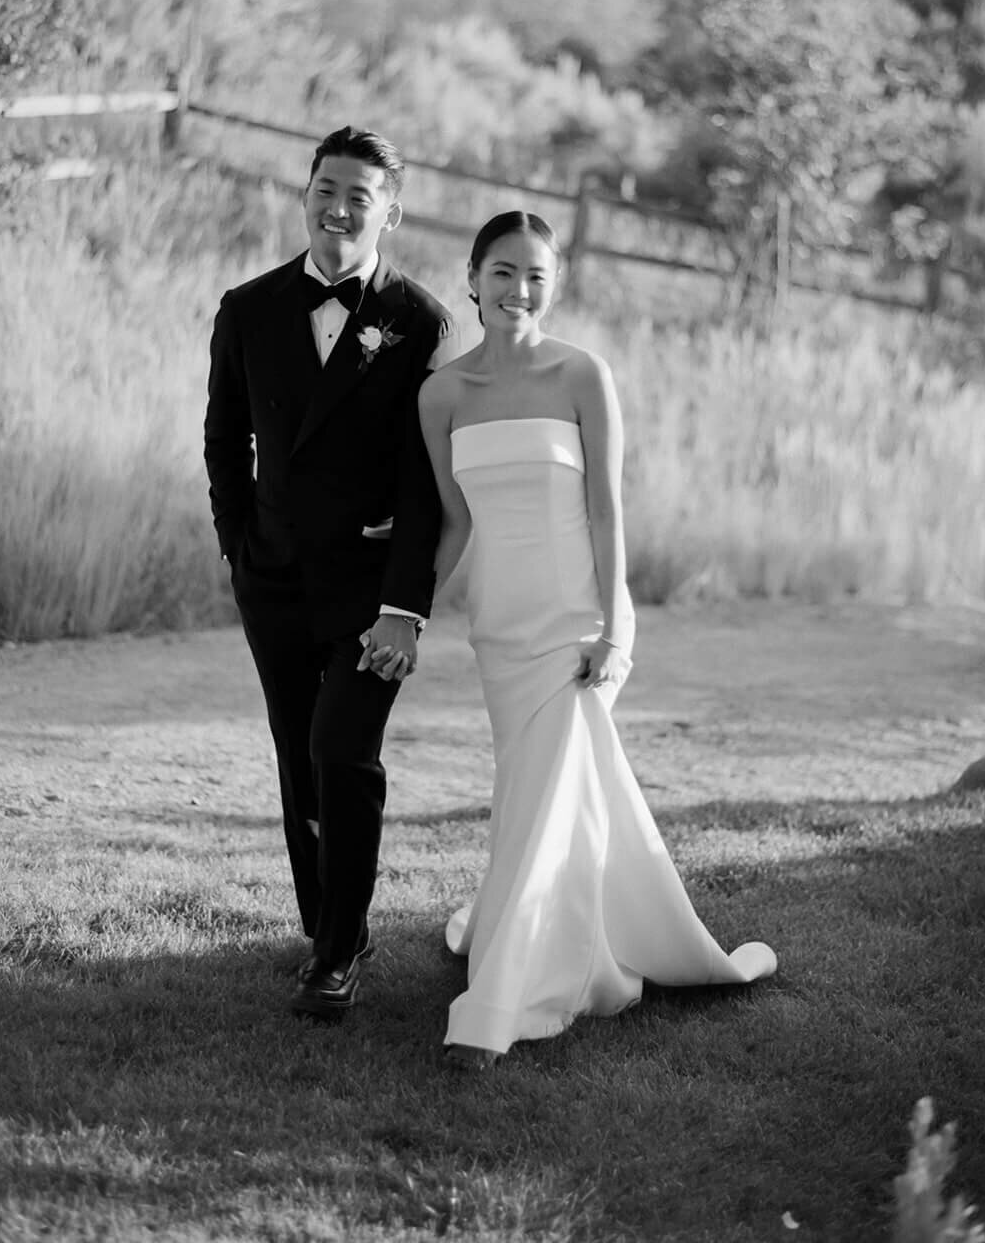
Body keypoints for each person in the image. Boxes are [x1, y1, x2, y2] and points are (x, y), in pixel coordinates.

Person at [417, 211, 777, 1067]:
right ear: (473, 277)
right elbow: (455, 520)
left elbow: (609, 510)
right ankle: (573, 944)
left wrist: (614, 625)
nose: (519, 290)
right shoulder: (441, 395)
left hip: (582, 615)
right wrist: (411, 611)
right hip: (500, 627)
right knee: (537, 793)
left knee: (550, 794)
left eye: (538, 276)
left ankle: (499, 1005)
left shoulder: (583, 374)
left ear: (556, 285)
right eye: (503, 273)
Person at [204, 126, 454, 1019]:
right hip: (271, 581)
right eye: (325, 186)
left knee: (341, 751)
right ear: (304, 191)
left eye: (360, 193)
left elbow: (426, 483)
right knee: (296, 758)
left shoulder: (419, 322)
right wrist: (239, 547)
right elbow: (224, 442)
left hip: (366, 591)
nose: (338, 206)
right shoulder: (248, 308)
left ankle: (337, 954)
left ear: (392, 209)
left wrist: (405, 606)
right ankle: (329, 927)